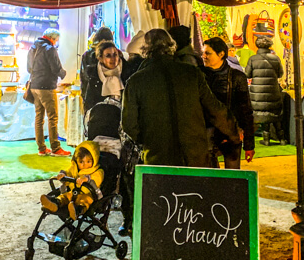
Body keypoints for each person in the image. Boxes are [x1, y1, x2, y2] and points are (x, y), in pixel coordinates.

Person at [122, 29, 237, 167]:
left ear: (145, 51)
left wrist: (149, 141)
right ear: (172, 47)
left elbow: (129, 124)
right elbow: (215, 110)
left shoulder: (136, 81)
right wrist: (234, 133)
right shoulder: (192, 73)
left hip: (158, 160)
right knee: (194, 189)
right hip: (195, 157)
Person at [201, 37, 255, 169]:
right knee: (211, 177)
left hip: (230, 132)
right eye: (203, 53)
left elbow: (245, 109)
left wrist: (249, 144)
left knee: (232, 176)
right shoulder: (199, 75)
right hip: (206, 132)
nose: (203, 56)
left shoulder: (236, 76)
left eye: (208, 53)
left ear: (221, 54)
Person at [27, 28, 70, 157]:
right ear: (53, 38)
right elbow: (56, 67)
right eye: (57, 40)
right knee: (52, 116)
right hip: (46, 86)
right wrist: (64, 74)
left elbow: (28, 68)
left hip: (34, 85)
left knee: (39, 117)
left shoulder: (33, 47)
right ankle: (56, 148)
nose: (57, 42)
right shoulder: (50, 49)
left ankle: (41, 148)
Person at [40, 140, 104, 220]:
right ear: (77, 161)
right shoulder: (74, 168)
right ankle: (55, 203)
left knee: (85, 200)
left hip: (87, 195)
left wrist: (87, 178)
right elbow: (68, 172)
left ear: (94, 160)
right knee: (65, 196)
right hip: (73, 193)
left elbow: (98, 179)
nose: (85, 165)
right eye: (81, 162)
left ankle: (77, 210)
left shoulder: (97, 171)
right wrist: (63, 174)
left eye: (88, 161)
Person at [245, 36, 285, 144]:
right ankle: (281, 139)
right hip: (273, 90)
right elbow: (280, 74)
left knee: (263, 114)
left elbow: (247, 75)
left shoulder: (252, 59)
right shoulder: (275, 58)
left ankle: (266, 139)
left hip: (258, 93)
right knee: (275, 114)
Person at [81, 41, 136, 112]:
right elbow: (89, 103)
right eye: (108, 56)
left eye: (115, 54)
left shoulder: (129, 73)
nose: (113, 58)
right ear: (100, 58)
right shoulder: (94, 76)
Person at [80, 27, 114, 107]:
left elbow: (84, 77)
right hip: (109, 96)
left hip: (91, 95)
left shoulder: (87, 54)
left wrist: (84, 96)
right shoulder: (113, 54)